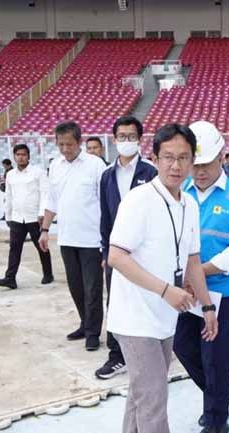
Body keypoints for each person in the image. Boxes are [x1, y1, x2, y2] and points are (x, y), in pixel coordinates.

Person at [106, 123, 218, 433]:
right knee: (154, 393)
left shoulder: (187, 204)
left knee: (142, 389)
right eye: (168, 157)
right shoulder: (139, 200)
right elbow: (116, 256)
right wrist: (165, 290)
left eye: (184, 157)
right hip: (135, 314)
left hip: (165, 314)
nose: (176, 165)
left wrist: (207, 306)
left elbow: (192, 260)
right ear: (154, 158)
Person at [175, 121, 229, 433]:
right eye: (194, 164)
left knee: (215, 355)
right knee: (182, 346)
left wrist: (199, 274)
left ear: (222, 157)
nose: (199, 171)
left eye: (205, 164)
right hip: (187, 289)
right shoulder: (182, 193)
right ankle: (220, 392)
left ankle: (215, 419)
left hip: (221, 290)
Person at [96, 114, 157, 380]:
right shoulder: (107, 176)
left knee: (147, 299)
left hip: (145, 254)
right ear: (114, 139)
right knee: (117, 302)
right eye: (122, 137)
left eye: (131, 137)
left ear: (140, 140)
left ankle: (152, 347)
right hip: (116, 253)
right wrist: (104, 251)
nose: (126, 141)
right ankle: (116, 355)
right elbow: (105, 217)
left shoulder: (150, 173)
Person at [39, 121, 108, 351]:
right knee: (75, 287)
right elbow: (52, 201)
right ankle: (84, 323)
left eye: (69, 144)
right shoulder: (56, 166)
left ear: (79, 141)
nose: (65, 149)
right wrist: (45, 230)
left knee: (93, 289)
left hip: (91, 240)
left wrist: (107, 238)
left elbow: (105, 202)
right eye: (60, 144)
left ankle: (93, 332)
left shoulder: (95, 165)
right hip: (67, 239)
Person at [0, 143, 53, 290]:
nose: (21, 157)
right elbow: (8, 196)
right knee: (14, 248)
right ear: (14, 157)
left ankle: (48, 274)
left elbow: (45, 193)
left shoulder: (37, 172)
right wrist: (8, 215)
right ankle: (10, 278)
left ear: (28, 156)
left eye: (23, 155)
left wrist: (42, 213)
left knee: (41, 246)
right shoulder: (10, 175)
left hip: (34, 217)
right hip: (16, 217)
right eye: (18, 155)